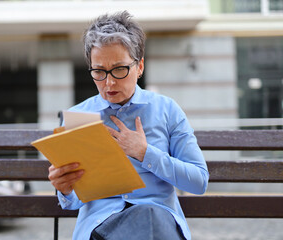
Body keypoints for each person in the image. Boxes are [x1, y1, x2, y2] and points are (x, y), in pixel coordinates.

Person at [48, 11, 209, 240]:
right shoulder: (78, 117)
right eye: (99, 72)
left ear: (139, 66)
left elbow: (199, 181)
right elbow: (73, 203)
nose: (109, 82)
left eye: (119, 69)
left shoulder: (167, 109)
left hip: (158, 223)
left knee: (149, 217)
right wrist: (65, 188)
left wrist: (145, 153)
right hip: (102, 225)